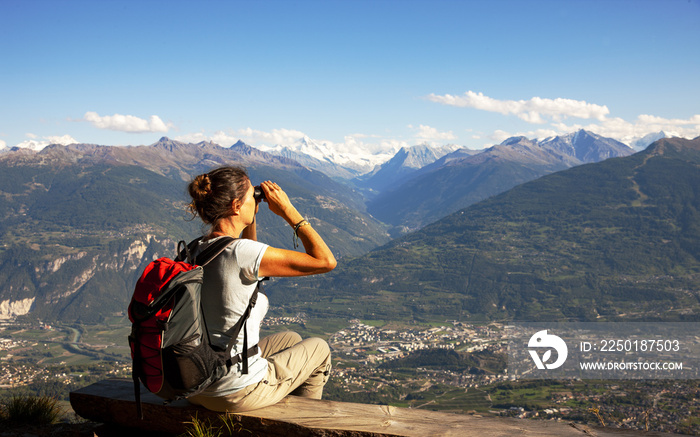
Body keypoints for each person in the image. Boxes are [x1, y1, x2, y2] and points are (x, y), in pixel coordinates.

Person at [184, 165, 336, 412]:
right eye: (249, 197)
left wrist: (252, 213)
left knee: (292, 340)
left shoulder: (196, 249)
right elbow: (325, 261)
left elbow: (246, 254)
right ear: (235, 206)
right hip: (235, 390)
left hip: (197, 382)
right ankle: (302, 423)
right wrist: (287, 210)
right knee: (319, 348)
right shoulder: (241, 254)